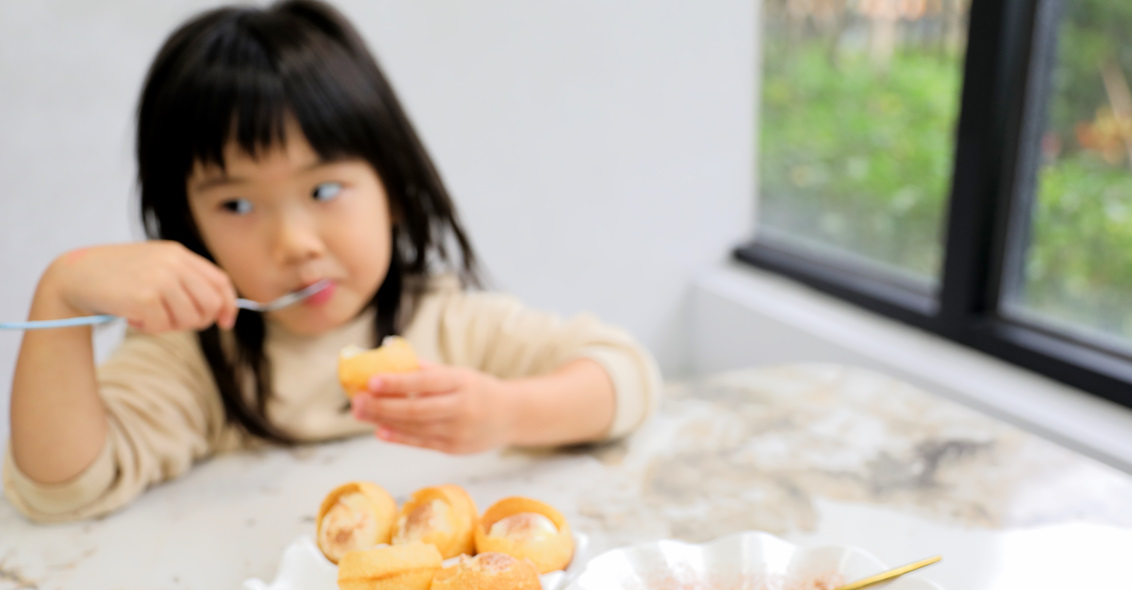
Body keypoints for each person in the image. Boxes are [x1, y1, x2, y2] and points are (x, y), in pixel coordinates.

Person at [3, 0, 660, 523]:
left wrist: (508, 412)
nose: (293, 243)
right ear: (188, 229)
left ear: (395, 191)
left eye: (323, 191)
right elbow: (63, 489)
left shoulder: (447, 327)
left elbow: (625, 377)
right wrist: (61, 291)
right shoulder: (190, 358)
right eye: (235, 205)